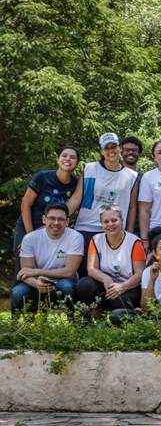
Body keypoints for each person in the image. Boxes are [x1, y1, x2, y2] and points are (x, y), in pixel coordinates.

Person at [70, 133, 139, 278]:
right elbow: (76, 199)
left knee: (114, 274)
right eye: (106, 148)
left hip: (115, 231)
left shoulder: (131, 176)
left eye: (113, 146)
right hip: (87, 227)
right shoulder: (90, 169)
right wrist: (59, 218)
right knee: (85, 276)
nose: (111, 150)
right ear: (101, 151)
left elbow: (132, 207)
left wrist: (130, 233)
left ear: (120, 148)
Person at [13, 145, 80, 279]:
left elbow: (71, 208)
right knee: (23, 270)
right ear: (58, 159)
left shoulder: (76, 184)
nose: (68, 159)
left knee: (47, 267)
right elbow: (25, 204)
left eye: (73, 157)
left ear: (77, 163)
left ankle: (49, 298)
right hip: (29, 225)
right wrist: (30, 235)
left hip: (54, 228)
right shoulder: (43, 177)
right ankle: (20, 298)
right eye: (64, 155)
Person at [109, 228, 161, 324]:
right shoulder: (147, 272)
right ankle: (150, 326)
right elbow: (145, 306)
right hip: (155, 315)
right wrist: (152, 280)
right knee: (117, 315)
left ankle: (149, 327)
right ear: (154, 253)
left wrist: (160, 311)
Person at [12, 204, 83, 313]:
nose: (56, 222)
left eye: (61, 219)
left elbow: (69, 271)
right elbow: (25, 273)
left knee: (66, 286)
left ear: (67, 222)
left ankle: (73, 322)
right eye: (52, 218)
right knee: (18, 292)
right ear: (44, 219)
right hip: (38, 282)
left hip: (63, 281)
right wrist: (36, 283)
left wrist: (37, 271)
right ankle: (16, 326)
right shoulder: (29, 238)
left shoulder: (76, 237)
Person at [76, 204, 146, 312]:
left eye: (114, 220)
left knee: (118, 300)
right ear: (101, 224)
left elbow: (140, 274)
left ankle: (119, 314)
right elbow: (91, 269)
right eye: (106, 221)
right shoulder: (96, 239)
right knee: (84, 284)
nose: (110, 224)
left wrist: (122, 287)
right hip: (106, 285)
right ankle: (97, 312)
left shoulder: (135, 242)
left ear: (122, 221)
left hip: (129, 286)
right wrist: (105, 278)